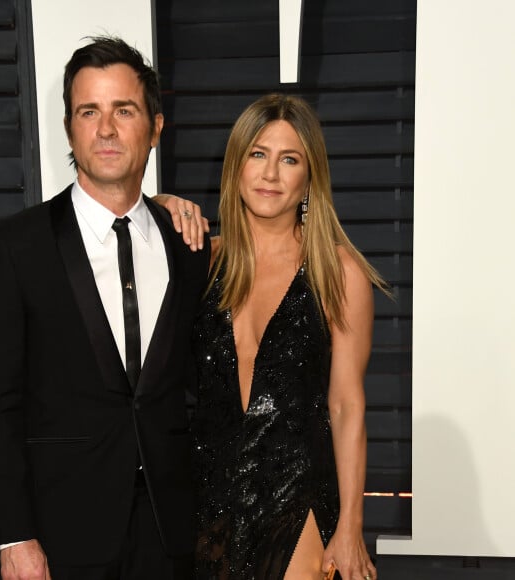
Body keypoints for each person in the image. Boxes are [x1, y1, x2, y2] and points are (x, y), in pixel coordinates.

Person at [0, 36, 210, 580]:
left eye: (123, 110)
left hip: (170, 535)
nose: (105, 129)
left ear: (155, 127)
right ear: (69, 128)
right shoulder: (15, 247)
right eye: (89, 112)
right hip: (59, 538)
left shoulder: (186, 244)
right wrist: (14, 537)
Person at [192, 94, 385, 580]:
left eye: (289, 159)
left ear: (309, 179)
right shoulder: (202, 264)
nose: (270, 174)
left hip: (297, 496)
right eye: (257, 154)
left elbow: (346, 405)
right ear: (235, 166)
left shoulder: (337, 273)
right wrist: (165, 204)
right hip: (210, 497)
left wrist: (349, 526)